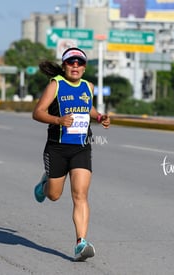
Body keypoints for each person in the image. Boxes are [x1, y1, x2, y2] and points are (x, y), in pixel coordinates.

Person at [32, 47, 110, 261]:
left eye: (79, 62)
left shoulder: (88, 86)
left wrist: (100, 116)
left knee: (80, 195)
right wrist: (58, 120)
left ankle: (80, 243)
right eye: (71, 62)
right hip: (57, 148)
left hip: (81, 147)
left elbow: (88, 109)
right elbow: (37, 113)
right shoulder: (56, 85)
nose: (75, 65)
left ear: (84, 68)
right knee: (54, 195)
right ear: (65, 65)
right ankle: (44, 183)